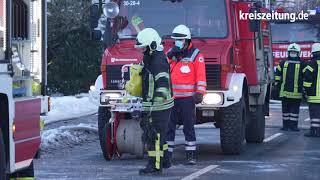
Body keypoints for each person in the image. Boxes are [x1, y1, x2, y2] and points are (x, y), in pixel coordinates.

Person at [164, 25, 206, 167]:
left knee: (189, 127)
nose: (178, 42)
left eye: (180, 39)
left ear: (187, 39)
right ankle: (167, 155)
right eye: (175, 40)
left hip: (188, 99)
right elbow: (163, 69)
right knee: (169, 127)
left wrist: (200, 92)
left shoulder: (195, 55)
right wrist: (170, 57)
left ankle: (191, 155)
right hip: (171, 98)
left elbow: (200, 76)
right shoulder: (170, 53)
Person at [134, 28, 174, 175]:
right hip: (153, 105)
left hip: (159, 106)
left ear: (152, 46)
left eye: (143, 47)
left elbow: (163, 86)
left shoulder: (158, 62)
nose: (142, 51)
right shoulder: (150, 58)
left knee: (154, 136)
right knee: (159, 135)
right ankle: (165, 159)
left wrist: (153, 107)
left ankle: (155, 166)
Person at [275, 43, 305, 131]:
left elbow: (277, 76)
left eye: (293, 52)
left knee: (287, 111)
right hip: (295, 94)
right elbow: (305, 77)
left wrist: (277, 85)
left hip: (285, 93)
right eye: (292, 52)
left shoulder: (283, 63)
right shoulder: (302, 64)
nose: (293, 53)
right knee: (293, 111)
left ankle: (287, 126)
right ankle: (292, 126)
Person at [303, 43, 320, 137]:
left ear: (313, 53)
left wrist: (306, 91)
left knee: (315, 117)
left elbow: (307, 79)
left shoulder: (310, 64)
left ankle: (314, 132)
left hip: (314, 96)